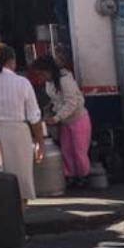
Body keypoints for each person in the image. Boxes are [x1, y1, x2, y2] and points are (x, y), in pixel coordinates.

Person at [0, 43, 44, 207]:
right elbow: (34, 117)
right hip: (18, 136)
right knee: (20, 184)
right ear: (12, 61)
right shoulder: (22, 83)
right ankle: (18, 226)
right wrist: (40, 143)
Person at [30, 55, 92, 188]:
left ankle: (83, 176)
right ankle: (71, 176)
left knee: (79, 150)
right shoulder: (50, 83)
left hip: (78, 119)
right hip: (65, 121)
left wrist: (57, 117)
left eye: (41, 74)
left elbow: (72, 102)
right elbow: (55, 100)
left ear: (48, 70)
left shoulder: (65, 80)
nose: (41, 78)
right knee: (67, 150)